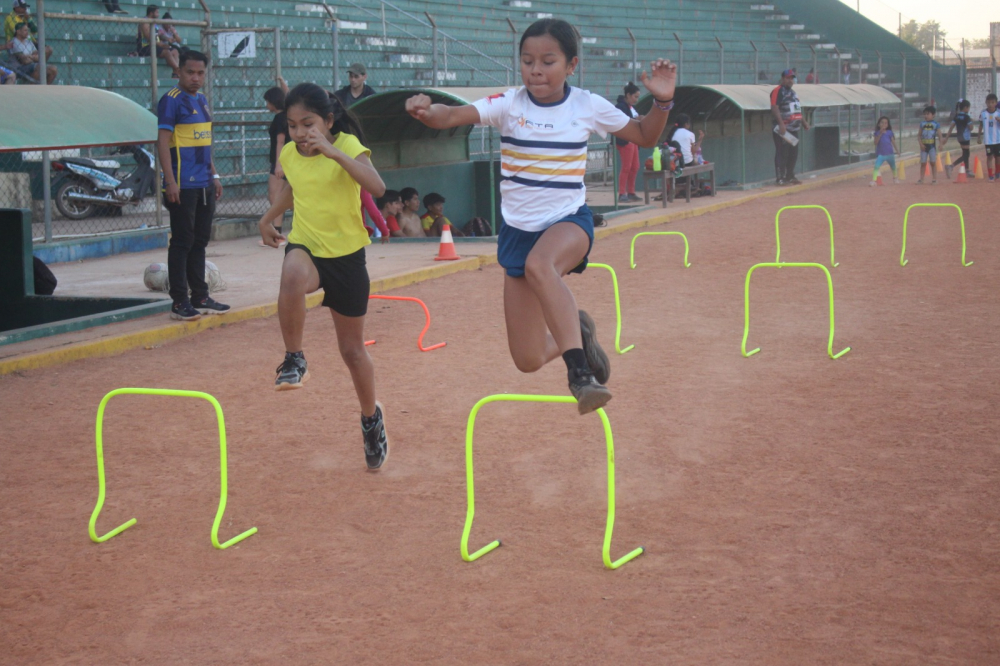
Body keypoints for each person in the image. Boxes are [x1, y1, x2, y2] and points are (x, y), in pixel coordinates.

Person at [405, 18, 676, 414]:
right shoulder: (509, 104)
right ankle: (578, 332)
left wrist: (663, 103)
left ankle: (580, 376)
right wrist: (427, 110)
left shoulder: (586, 105)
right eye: (528, 60)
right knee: (527, 359)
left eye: (548, 61)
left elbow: (644, 136)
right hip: (518, 233)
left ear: (571, 65)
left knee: (541, 264)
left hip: (567, 222)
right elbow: (450, 115)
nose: (536, 69)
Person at [256, 83, 390, 470]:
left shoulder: (346, 145)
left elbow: (377, 187)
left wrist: (332, 151)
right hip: (308, 245)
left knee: (352, 351)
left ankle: (370, 419)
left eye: (308, 124)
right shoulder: (289, 153)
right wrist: (268, 218)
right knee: (292, 274)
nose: (299, 133)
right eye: (292, 125)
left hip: (347, 257)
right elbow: (294, 191)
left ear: (328, 121)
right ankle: (294, 358)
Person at [157, 49, 230, 321]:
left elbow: (203, 142)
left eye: (200, 73)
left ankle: (200, 295)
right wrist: (170, 180)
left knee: (199, 241)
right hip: (182, 184)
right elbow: (162, 142)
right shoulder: (171, 101)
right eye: (190, 72)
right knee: (182, 242)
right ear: (180, 71)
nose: (196, 78)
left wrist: (214, 175)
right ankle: (179, 301)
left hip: (204, 182)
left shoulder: (202, 100)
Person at [770, 68, 808, 186]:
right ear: (782, 79)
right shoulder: (778, 90)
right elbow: (774, 107)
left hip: (794, 128)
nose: (790, 80)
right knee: (782, 152)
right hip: (783, 129)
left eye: (792, 78)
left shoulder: (793, 93)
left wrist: (804, 122)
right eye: (788, 78)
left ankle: (790, 176)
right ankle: (780, 178)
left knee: (793, 153)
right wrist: (781, 124)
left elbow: (797, 110)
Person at [614, 82, 642, 202]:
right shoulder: (621, 107)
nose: (636, 99)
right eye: (635, 96)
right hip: (625, 140)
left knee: (635, 166)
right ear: (628, 95)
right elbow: (624, 122)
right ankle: (621, 193)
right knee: (626, 167)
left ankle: (631, 192)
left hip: (633, 140)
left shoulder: (630, 107)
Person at [138, 5, 179, 78]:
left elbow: (159, 35)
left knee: (175, 51)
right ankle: (178, 69)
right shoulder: (145, 22)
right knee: (167, 52)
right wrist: (160, 44)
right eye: (157, 12)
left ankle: (175, 73)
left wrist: (167, 39)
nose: (158, 14)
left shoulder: (154, 22)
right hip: (146, 47)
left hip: (156, 46)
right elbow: (148, 38)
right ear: (151, 13)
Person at [942, 99, 972, 178]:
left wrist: (946, 138)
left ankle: (967, 170)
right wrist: (971, 122)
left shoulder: (957, 116)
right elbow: (971, 127)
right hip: (965, 137)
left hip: (959, 137)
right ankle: (951, 166)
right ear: (965, 107)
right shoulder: (967, 117)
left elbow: (951, 127)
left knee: (965, 153)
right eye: (969, 108)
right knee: (966, 154)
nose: (969, 110)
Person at [870, 115, 898, 186]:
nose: (884, 124)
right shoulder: (876, 133)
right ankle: (874, 180)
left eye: (886, 123)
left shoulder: (889, 132)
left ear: (888, 124)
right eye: (882, 123)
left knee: (893, 166)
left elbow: (893, 142)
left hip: (889, 153)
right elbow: (875, 143)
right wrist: (880, 134)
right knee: (876, 166)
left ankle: (895, 178)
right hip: (881, 154)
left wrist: (897, 150)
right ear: (879, 124)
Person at [978, 93, 1000, 182]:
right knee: (989, 157)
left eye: (992, 102)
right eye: (988, 102)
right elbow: (980, 125)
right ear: (986, 103)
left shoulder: (998, 112)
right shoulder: (983, 113)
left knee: (998, 157)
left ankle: (997, 171)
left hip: (998, 139)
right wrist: (979, 136)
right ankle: (990, 175)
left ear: (995, 103)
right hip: (988, 140)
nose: (990, 104)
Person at [916, 105, 940, 185]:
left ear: (933, 115)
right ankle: (921, 179)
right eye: (925, 114)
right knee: (923, 163)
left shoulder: (936, 124)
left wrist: (941, 144)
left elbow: (939, 135)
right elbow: (919, 135)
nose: (926, 116)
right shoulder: (922, 124)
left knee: (933, 162)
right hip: (924, 146)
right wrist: (921, 144)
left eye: (928, 114)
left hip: (932, 146)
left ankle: (935, 179)